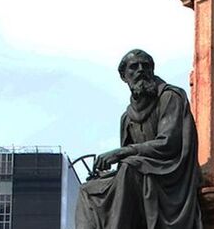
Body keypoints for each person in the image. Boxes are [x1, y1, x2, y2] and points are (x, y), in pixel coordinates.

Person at [76, 49, 203, 229]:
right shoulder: (127, 117)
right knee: (88, 190)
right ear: (124, 76)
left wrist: (121, 153)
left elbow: (169, 143)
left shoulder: (170, 97)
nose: (140, 70)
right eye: (134, 67)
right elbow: (126, 162)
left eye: (146, 66)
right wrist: (105, 174)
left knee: (129, 167)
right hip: (141, 173)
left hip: (169, 173)